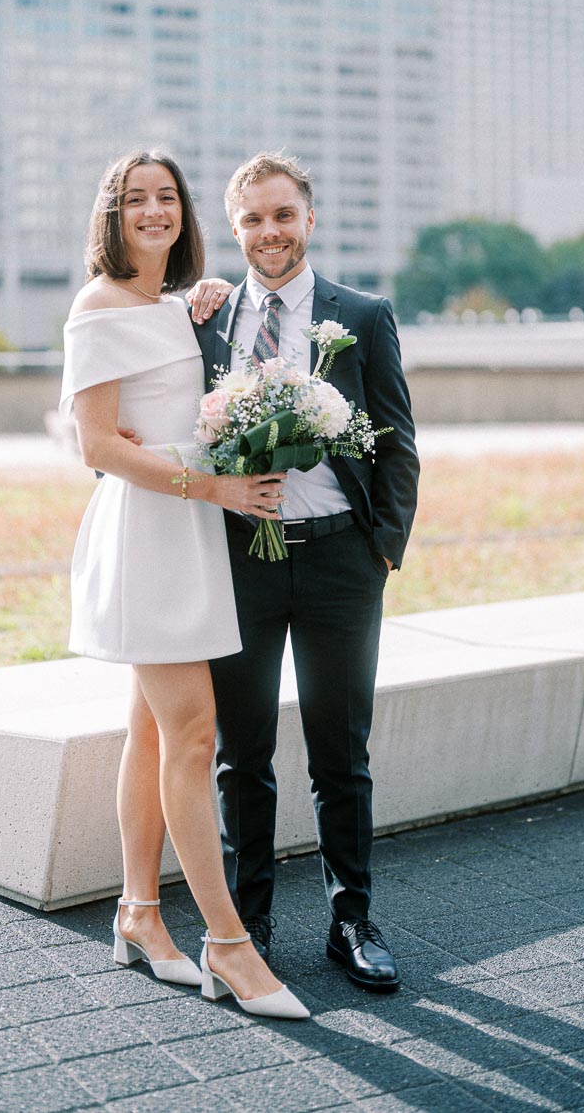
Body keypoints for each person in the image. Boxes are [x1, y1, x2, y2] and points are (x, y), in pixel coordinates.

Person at [59, 149, 309, 1020]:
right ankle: (229, 944)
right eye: (137, 199)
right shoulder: (96, 307)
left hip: (191, 534)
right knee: (195, 734)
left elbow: (180, 403)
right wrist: (214, 488)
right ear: (113, 214)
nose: (154, 211)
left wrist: (197, 310)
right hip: (150, 539)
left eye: (167, 197)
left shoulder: (179, 306)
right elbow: (94, 445)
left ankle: (136, 911)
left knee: (154, 733)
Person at [190, 152, 420, 991]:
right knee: (239, 753)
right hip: (240, 565)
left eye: (282, 215)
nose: (269, 233)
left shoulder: (361, 314)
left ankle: (351, 920)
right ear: (235, 228)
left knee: (340, 752)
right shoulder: (205, 320)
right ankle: (245, 924)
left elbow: (396, 441)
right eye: (252, 219)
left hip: (339, 566)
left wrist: (381, 551)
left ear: (309, 220)